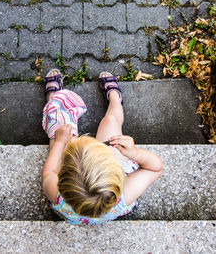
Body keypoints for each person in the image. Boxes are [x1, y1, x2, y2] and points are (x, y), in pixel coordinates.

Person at [41, 69, 163, 224]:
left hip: (73, 207)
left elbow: (49, 172)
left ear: (62, 182)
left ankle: (54, 101)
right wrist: (134, 153)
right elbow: (155, 168)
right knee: (111, 121)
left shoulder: (57, 193)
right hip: (107, 185)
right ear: (116, 175)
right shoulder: (125, 192)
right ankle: (115, 97)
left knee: (59, 134)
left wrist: (59, 143)